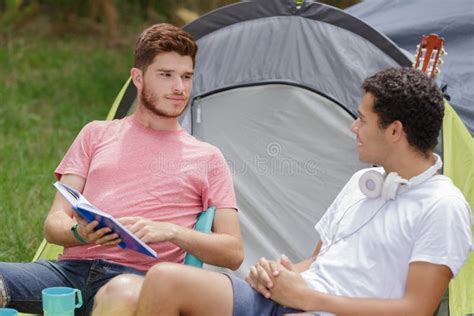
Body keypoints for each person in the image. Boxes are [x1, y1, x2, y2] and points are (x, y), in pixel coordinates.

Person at [127, 67, 471, 316]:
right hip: (292, 298)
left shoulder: (442, 206)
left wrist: (310, 300)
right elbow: (316, 261)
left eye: (362, 120)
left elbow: (416, 310)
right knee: (164, 280)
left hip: (326, 309)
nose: (353, 127)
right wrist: (281, 274)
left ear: (394, 131)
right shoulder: (363, 184)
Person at [0, 23, 243, 315]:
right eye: (166, 75)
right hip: (67, 273)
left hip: (138, 280)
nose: (179, 88)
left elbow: (233, 252)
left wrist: (171, 232)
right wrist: (81, 233)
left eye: (186, 76)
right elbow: (54, 224)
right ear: (137, 78)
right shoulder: (95, 134)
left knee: (122, 293)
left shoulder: (208, 157)